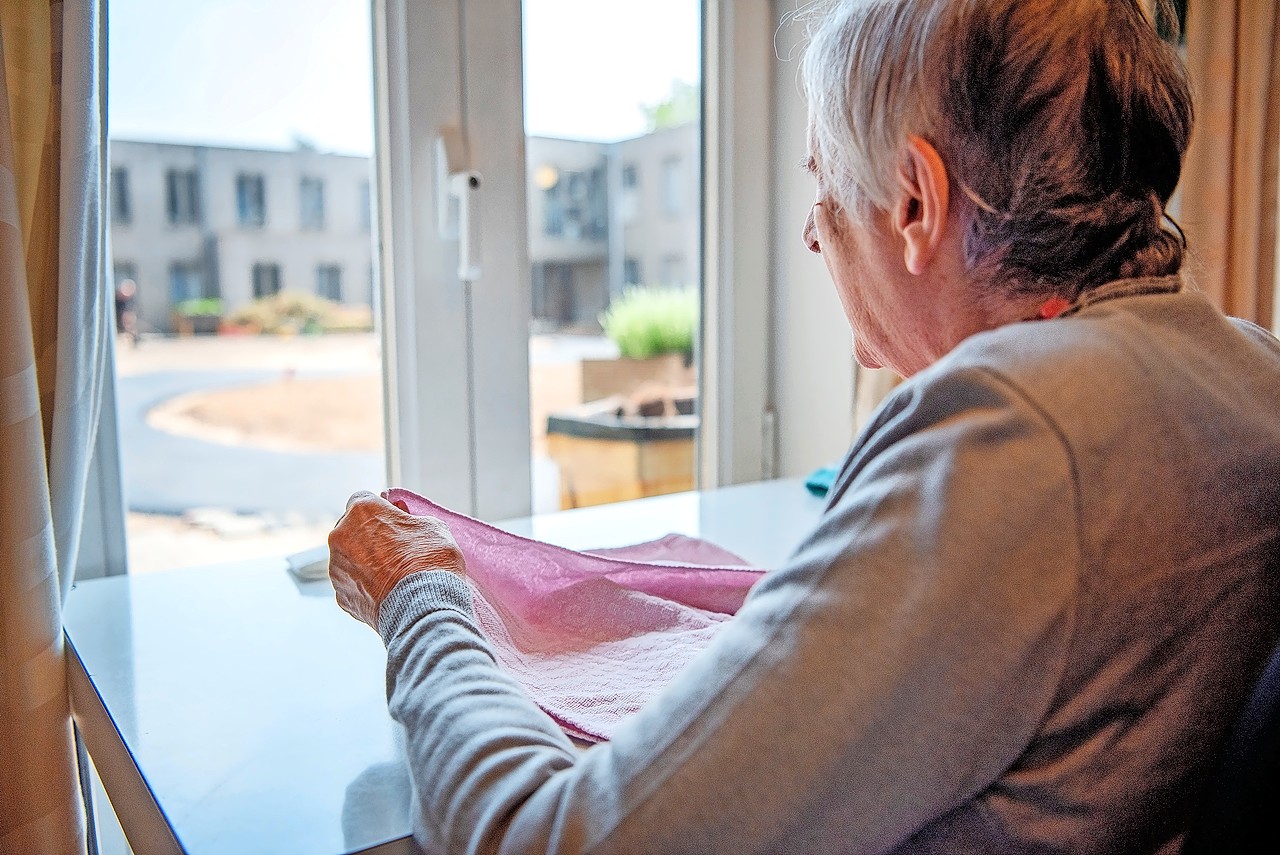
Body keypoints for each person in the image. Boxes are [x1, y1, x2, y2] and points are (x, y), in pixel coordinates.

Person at [329, 0, 1280, 851]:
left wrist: (421, 598)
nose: (815, 234)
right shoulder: (1250, 367)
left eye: (826, 192)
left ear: (916, 201)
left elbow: (543, 839)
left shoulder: (1007, 433)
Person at [114, 277, 139, 345]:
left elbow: (131, 312)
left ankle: (134, 341)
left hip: (123, 321)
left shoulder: (130, 301)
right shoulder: (115, 299)